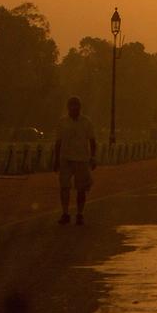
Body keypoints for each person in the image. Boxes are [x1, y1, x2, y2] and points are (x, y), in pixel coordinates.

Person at [53, 96, 96, 225]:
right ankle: (65, 213)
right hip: (65, 158)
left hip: (82, 159)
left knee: (81, 189)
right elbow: (58, 142)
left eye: (76, 106)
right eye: (72, 106)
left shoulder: (86, 122)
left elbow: (92, 141)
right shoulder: (62, 122)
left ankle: (80, 214)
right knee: (64, 187)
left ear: (80, 108)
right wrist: (56, 159)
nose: (74, 108)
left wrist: (93, 157)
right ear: (68, 108)